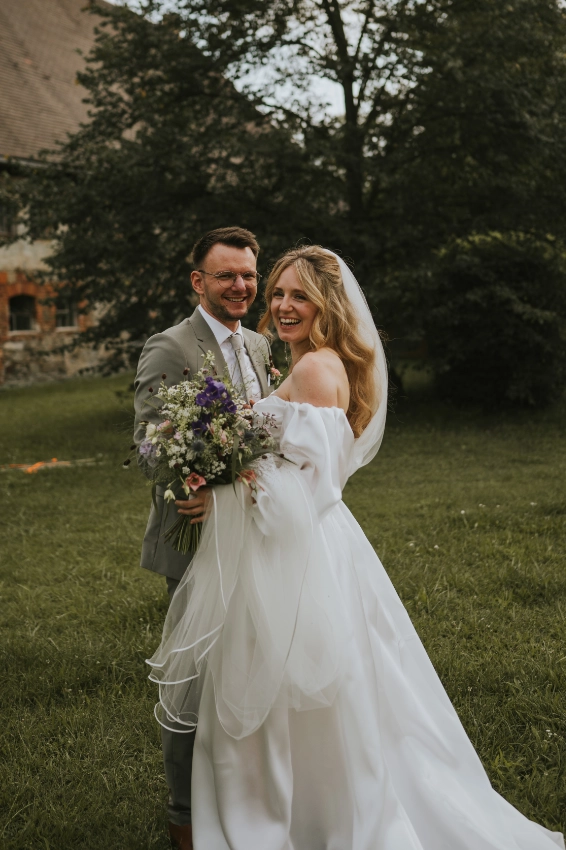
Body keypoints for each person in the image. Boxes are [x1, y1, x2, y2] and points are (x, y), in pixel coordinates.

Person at [147, 246, 564, 850]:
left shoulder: (317, 369)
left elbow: (314, 487)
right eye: (280, 294)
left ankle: (297, 820)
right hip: (296, 549)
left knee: (289, 696)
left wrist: (223, 499)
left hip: (296, 552)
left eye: (301, 296)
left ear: (327, 304)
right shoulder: (312, 360)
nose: (284, 306)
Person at [134, 226, 272, 850]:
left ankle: (245, 800)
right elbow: (146, 442)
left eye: (248, 275)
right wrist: (191, 481)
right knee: (193, 683)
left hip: (260, 537)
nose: (241, 286)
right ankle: (184, 816)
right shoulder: (169, 347)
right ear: (199, 282)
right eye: (227, 276)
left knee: (251, 672)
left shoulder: (265, 346)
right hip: (194, 541)